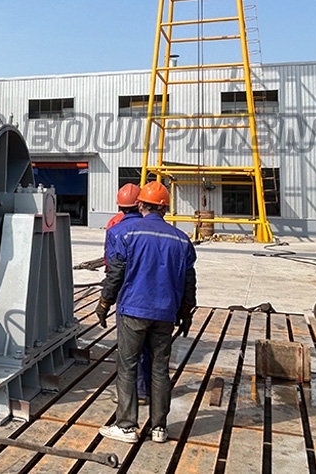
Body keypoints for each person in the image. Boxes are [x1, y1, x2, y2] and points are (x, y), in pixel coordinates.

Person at [96, 181, 197, 444]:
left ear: (141, 205)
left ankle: (126, 426)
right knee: (160, 369)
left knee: (128, 366)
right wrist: (186, 313)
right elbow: (189, 281)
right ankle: (159, 428)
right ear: (165, 208)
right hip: (165, 313)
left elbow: (116, 273)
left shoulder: (126, 234)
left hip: (133, 310)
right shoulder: (181, 239)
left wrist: (104, 302)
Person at [102, 183, 151, 404]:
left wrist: (106, 299)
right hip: (152, 290)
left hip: (128, 292)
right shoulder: (153, 226)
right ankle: (149, 389)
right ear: (139, 203)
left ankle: (136, 392)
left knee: (130, 347)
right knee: (151, 346)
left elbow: (112, 265)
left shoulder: (115, 226)